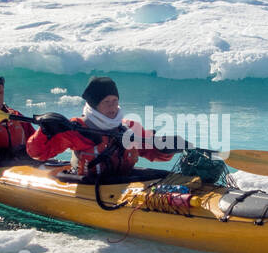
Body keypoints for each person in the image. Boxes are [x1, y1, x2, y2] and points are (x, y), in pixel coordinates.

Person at [26, 76, 176, 179]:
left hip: (122, 184)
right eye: (106, 102)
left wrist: (166, 148)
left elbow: (152, 151)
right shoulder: (77, 129)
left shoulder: (129, 127)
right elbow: (38, 153)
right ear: (94, 105)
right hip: (89, 187)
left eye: (115, 100)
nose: (112, 107)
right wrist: (45, 132)